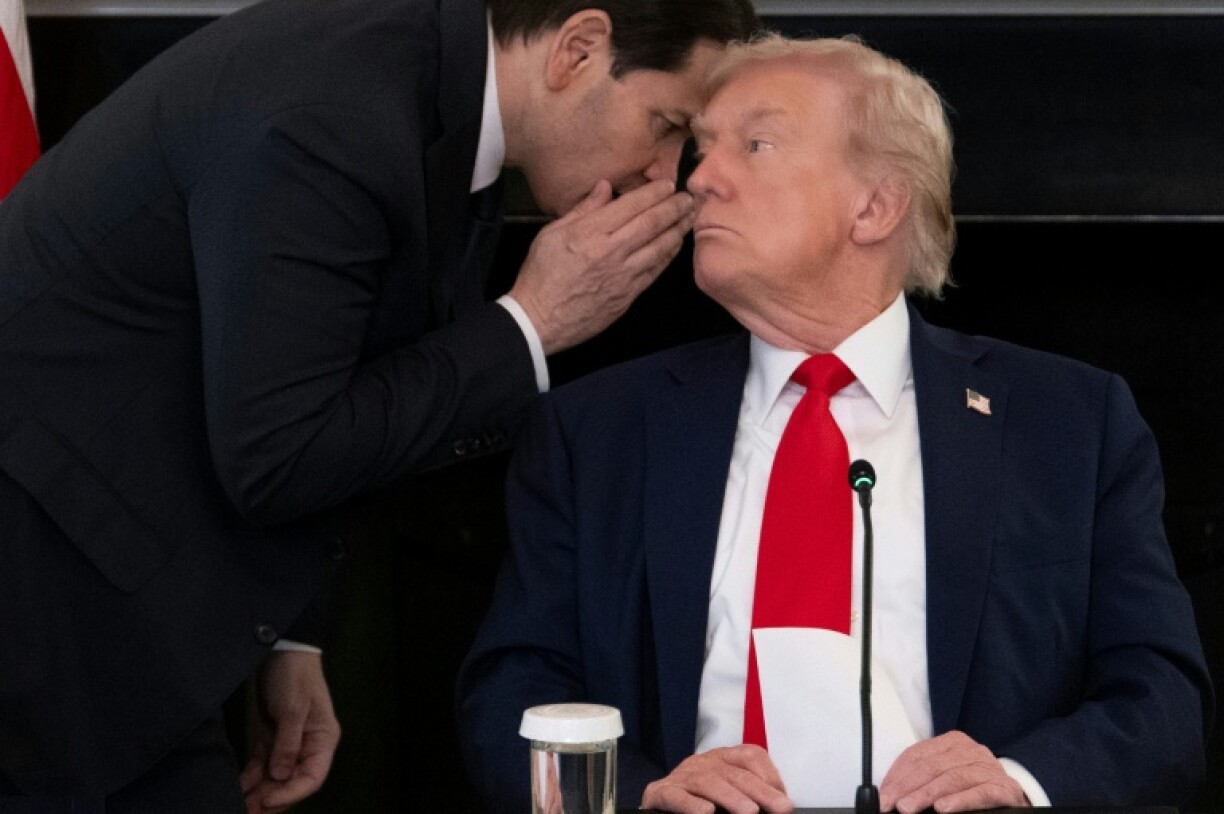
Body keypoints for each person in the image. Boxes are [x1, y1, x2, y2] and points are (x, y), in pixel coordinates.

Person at [0, 0, 760, 809]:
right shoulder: (331, 117)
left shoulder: (422, 80)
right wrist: (530, 322)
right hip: (46, 624)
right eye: (667, 125)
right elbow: (280, 451)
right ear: (577, 48)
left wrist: (293, 635)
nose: (665, 173)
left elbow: (339, 370)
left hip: (125, 605)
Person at [455, 33, 1214, 814]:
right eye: (704, 149)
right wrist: (640, 793)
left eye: (756, 145)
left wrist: (1019, 783)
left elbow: (1162, 703)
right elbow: (509, 698)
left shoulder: (1069, 424)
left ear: (876, 204)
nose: (702, 178)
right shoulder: (596, 429)